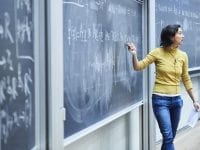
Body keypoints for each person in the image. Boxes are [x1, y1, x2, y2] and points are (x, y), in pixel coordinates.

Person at [127, 24, 200, 150]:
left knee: (169, 138)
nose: (183, 36)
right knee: (167, 136)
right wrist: (134, 54)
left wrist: (195, 100)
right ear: (172, 36)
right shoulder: (157, 52)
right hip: (160, 101)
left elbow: (186, 78)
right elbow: (138, 66)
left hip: (176, 101)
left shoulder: (183, 55)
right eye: (180, 33)